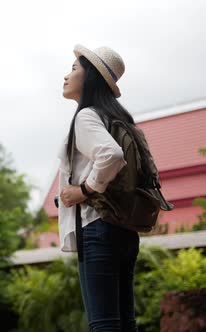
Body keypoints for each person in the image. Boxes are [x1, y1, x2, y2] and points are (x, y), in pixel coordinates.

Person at [58, 44, 140, 332]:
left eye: (74, 69)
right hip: (124, 228)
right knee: (125, 323)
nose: (66, 76)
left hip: (97, 228)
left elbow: (112, 156)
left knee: (104, 325)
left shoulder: (86, 116)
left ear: (90, 76)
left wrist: (83, 191)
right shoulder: (118, 118)